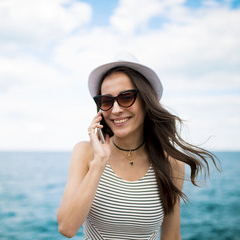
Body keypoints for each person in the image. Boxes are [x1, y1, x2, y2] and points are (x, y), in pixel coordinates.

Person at [57, 52, 219, 239]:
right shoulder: (86, 153)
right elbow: (66, 227)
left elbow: (172, 236)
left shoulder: (171, 163)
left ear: (146, 101)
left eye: (126, 97)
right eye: (107, 101)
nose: (116, 110)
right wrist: (99, 162)